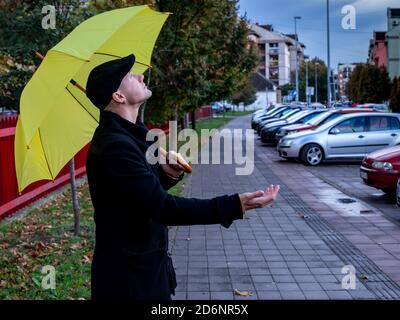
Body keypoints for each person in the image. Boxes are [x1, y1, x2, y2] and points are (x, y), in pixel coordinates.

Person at [85, 54, 280, 300]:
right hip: (129, 281)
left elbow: (136, 197)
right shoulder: (116, 146)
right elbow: (162, 208)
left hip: (146, 269)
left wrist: (166, 175)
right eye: (130, 75)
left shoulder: (133, 137)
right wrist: (233, 205)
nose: (140, 75)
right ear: (118, 96)